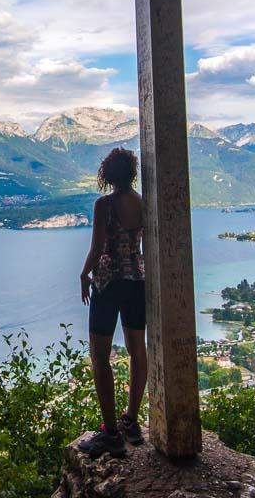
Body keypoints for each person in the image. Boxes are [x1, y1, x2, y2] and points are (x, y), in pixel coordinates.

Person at [77, 147, 147, 458]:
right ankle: (131, 420)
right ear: (131, 173)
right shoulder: (141, 203)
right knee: (137, 350)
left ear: (107, 174)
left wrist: (83, 275)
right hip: (137, 282)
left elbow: (96, 249)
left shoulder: (103, 205)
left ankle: (110, 432)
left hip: (107, 284)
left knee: (100, 357)